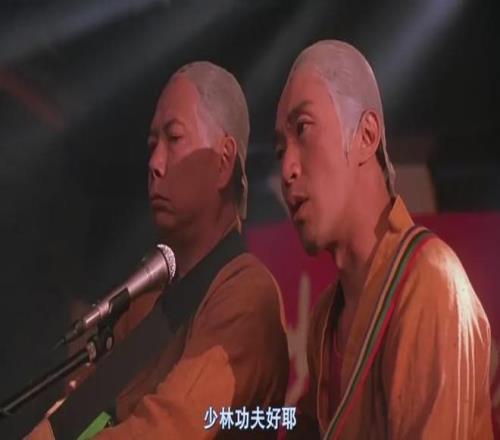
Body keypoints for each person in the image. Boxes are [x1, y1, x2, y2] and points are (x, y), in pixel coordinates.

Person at [28, 61, 289, 439]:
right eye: (152, 145)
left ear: (223, 161)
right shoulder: (148, 300)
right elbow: (77, 416)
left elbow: (167, 430)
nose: (154, 163)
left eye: (174, 139)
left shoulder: (246, 295)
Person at [274, 40, 493, 439]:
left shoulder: (430, 283)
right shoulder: (326, 316)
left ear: (367, 135)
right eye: (279, 150)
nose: (287, 168)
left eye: (303, 129)